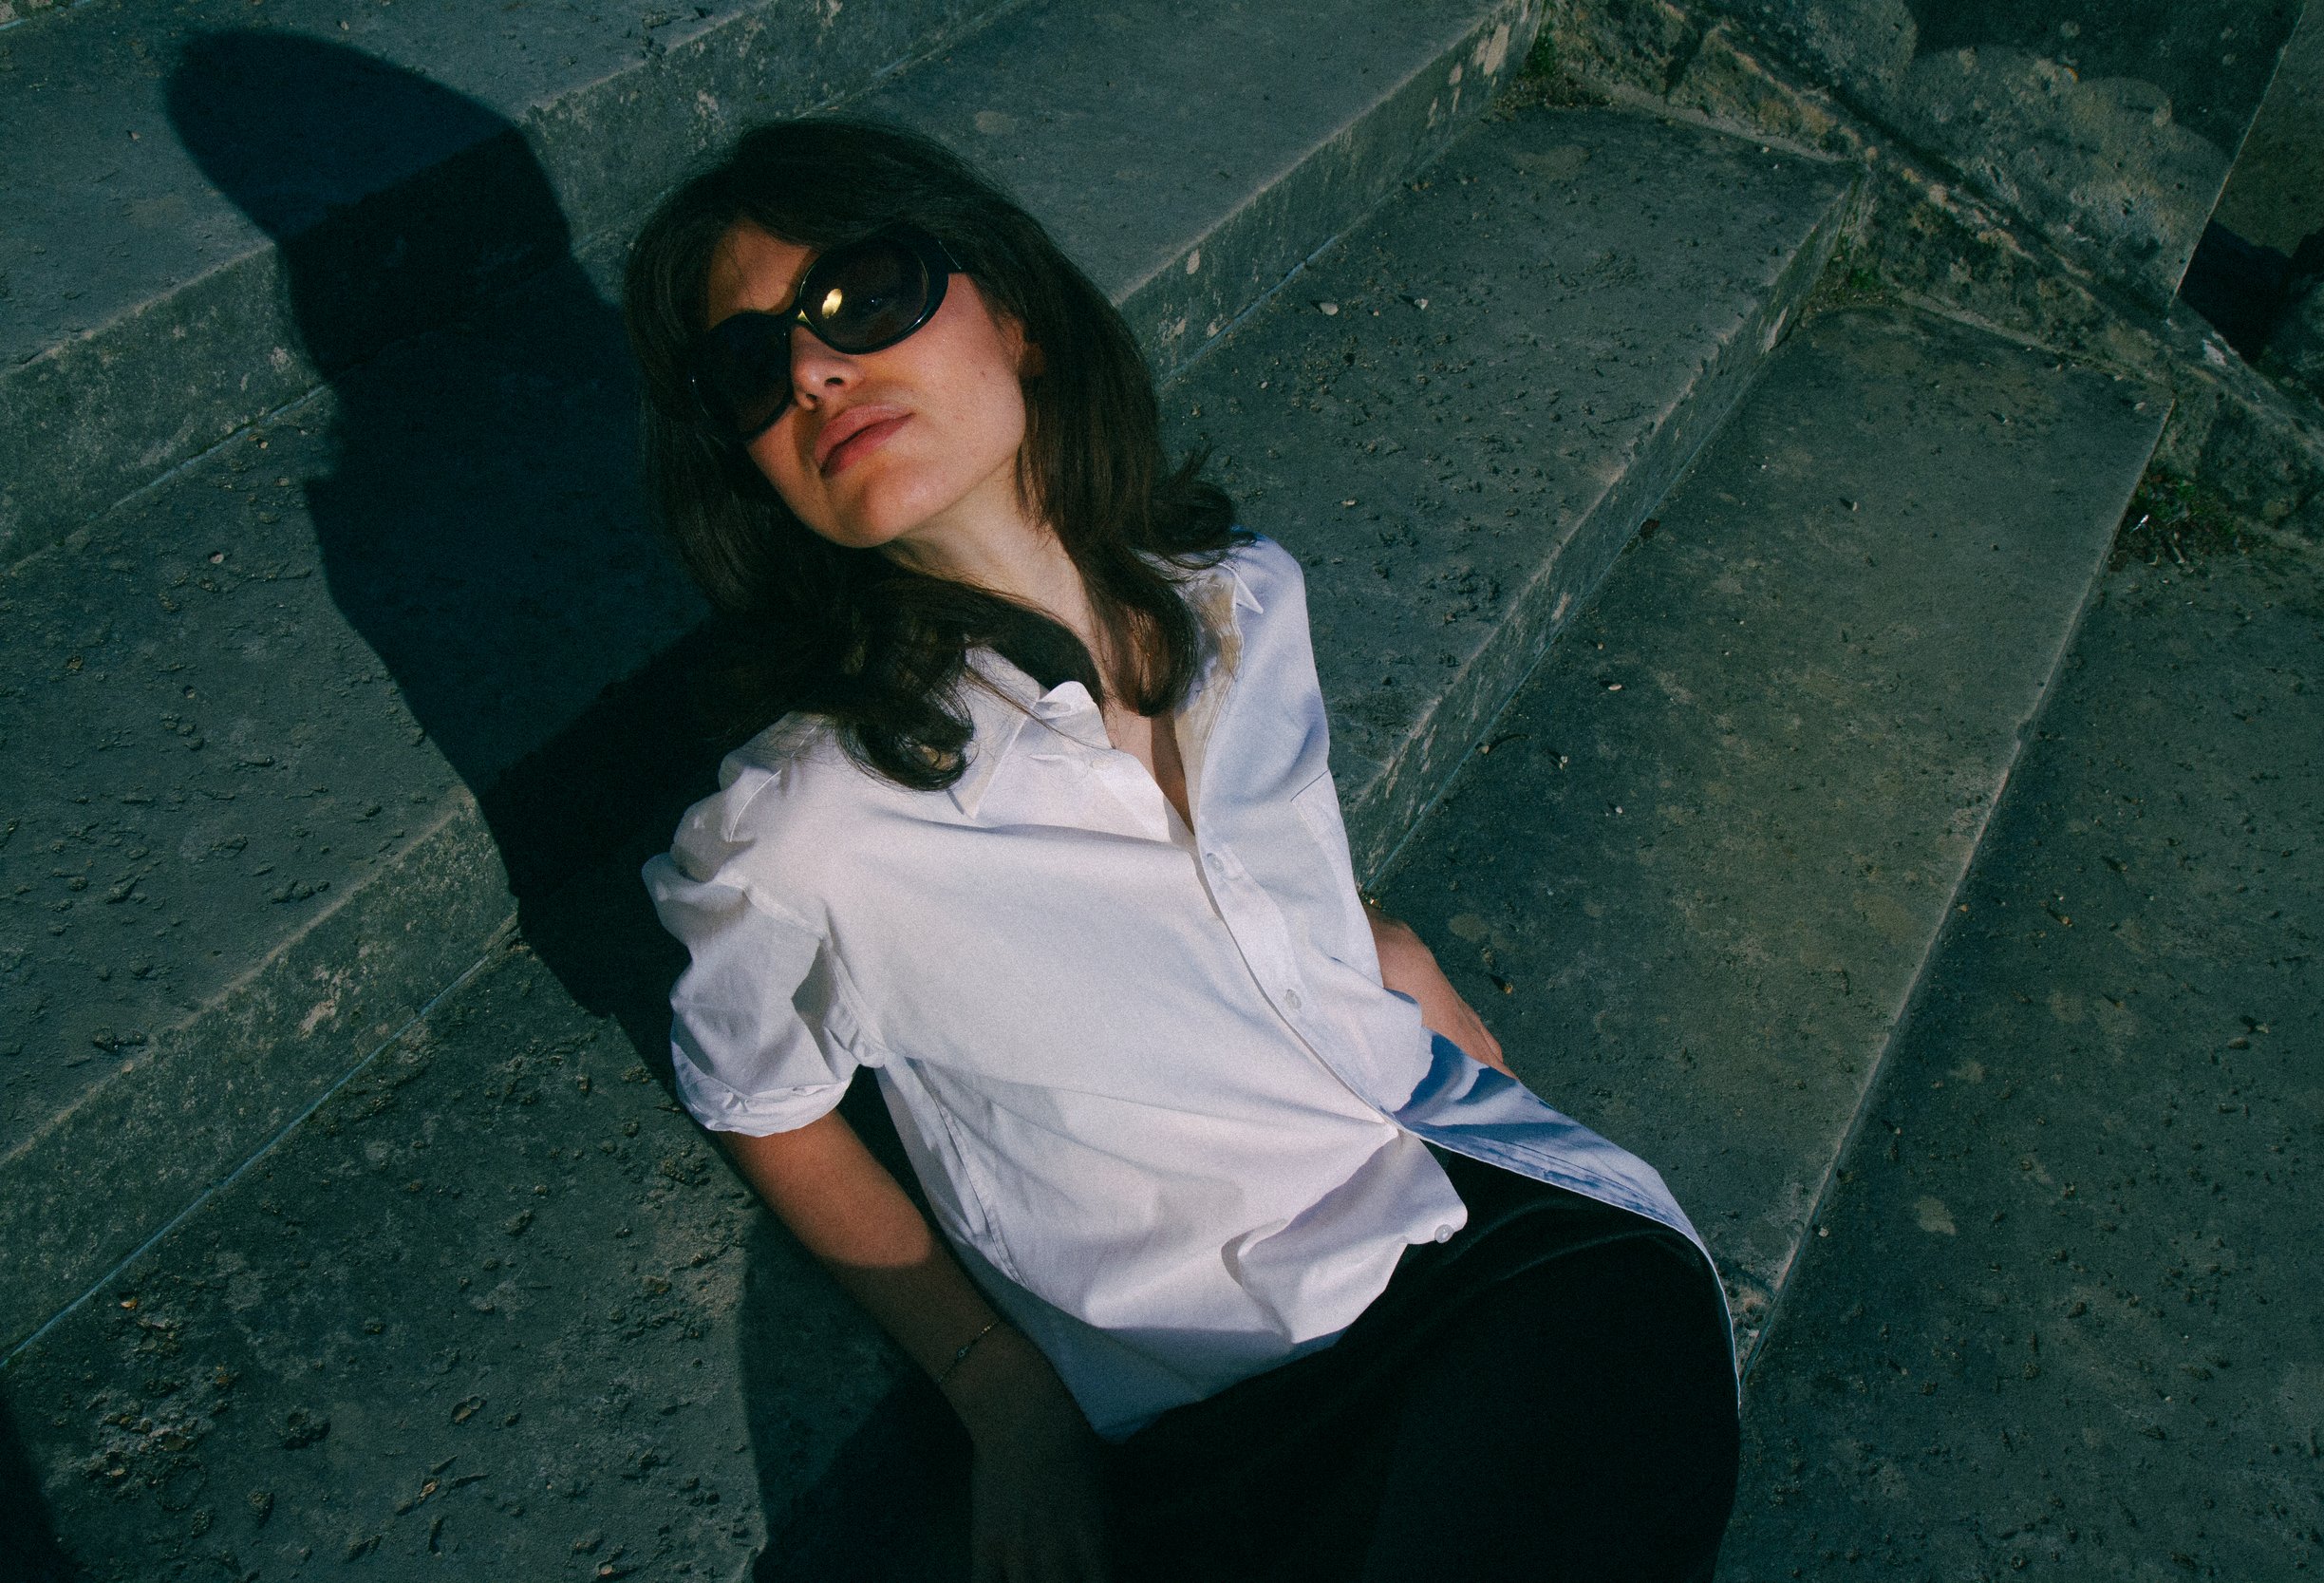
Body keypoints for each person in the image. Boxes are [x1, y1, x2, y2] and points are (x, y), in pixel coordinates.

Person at [625, 116, 1741, 1583]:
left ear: (1012, 314)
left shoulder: (1244, 603)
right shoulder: (811, 824)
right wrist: (1006, 1397)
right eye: (751, 370)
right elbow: (754, 1094)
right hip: (1232, 1397)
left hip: (1517, 1242)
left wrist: (1372, 945)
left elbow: (1247, 873)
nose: (816, 371)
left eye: (861, 295)